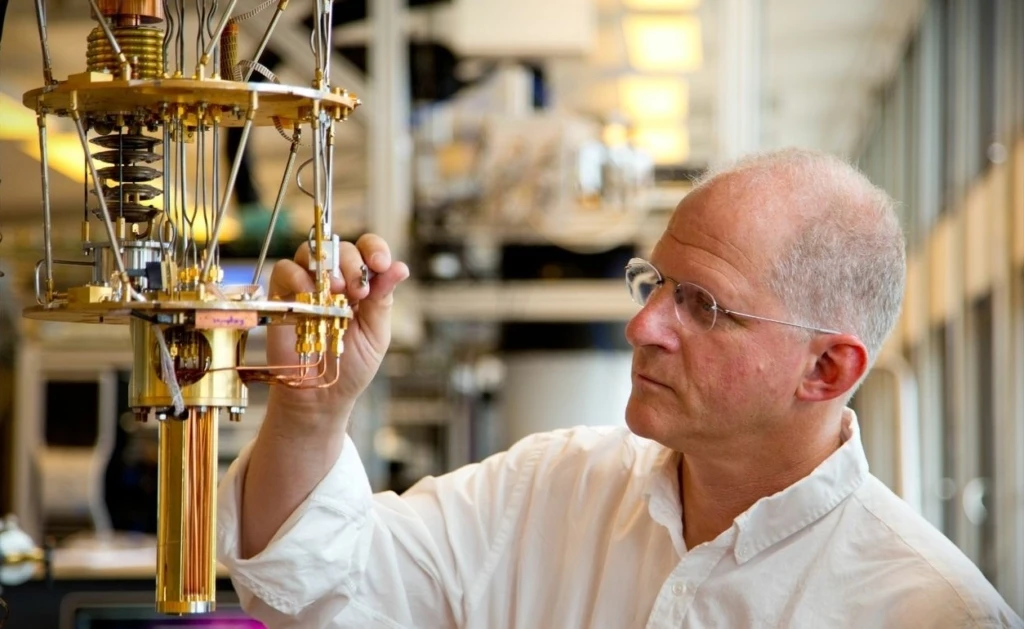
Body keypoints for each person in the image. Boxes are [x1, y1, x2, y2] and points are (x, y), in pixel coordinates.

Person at [216, 148, 1023, 628]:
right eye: (655, 283)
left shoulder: (927, 608)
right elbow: (317, 589)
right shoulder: (549, 489)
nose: (643, 327)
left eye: (702, 306)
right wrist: (311, 411)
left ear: (827, 370)